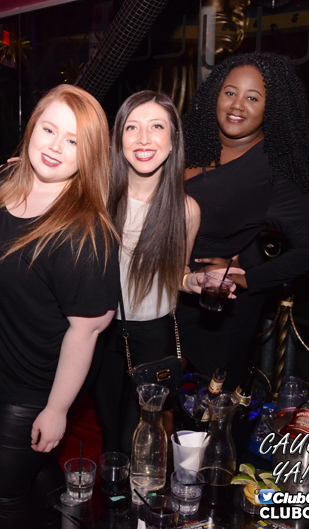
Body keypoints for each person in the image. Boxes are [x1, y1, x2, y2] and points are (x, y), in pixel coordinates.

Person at [0, 84, 120, 528]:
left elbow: (88, 330)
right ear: (31, 129)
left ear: (90, 153)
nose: (56, 146)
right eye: (49, 130)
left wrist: (56, 409)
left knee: (0, 495)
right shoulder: (1, 186)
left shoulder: (86, 232)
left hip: (36, 384)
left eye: (74, 141)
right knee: (34, 475)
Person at [177, 51, 309, 389]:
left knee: (202, 405)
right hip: (161, 287)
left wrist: (249, 277)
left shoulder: (275, 170)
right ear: (215, 94)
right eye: (230, 92)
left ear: (271, 108)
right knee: (147, 393)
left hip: (212, 309)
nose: (237, 105)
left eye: (253, 98)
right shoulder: (188, 141)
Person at [93, 90, 206, 454]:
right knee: (107, 433)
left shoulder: (185, 210)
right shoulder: (98, 198)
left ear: (172, 142)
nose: (143, 138)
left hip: (153, 337)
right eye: (132, 127)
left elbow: (177, 274)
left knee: (139, 437)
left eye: (156, 127)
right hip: (99, 332)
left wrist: (193, 281)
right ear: (119, 140)